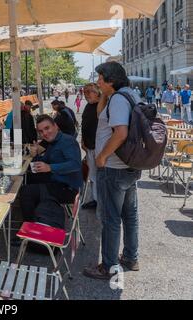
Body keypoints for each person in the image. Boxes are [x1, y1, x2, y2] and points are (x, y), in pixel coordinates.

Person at [83, 61, 142, 280]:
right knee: (130, 215)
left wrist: (102, 156)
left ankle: (108, 266)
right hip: (129, 167)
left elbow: (121, 133)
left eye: (101, 78)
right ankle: (130, 256)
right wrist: (105, 95)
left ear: (111, 79)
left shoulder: (118, 100)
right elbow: (101, 115)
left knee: (111, 218)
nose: (98, 82)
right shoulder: (126, 95)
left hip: (114, 168)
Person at [19, 115, 82, 229]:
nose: (45, 133)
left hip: (67, 189)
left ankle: (29, 231)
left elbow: (76, 164)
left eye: (47, 128)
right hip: (57, 181)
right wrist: (35, 155)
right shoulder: (53, 143)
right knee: (27, 178)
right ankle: (37, 217)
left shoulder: (68, 141)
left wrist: (50, 167)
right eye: (41, 131)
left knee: (26, 192)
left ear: (56, 126)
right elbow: (43, 162)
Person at [81, 83, 101, 209]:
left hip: (99, 147)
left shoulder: (102, 106)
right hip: (89, 146)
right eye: (84, 91)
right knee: (92, 175)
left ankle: (100, 201)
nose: (86, 94)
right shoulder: (89, 106)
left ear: (97, 92)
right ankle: (95, 199)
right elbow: (85, 123)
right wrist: (82, 140)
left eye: (89, 91)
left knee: (99, 176)